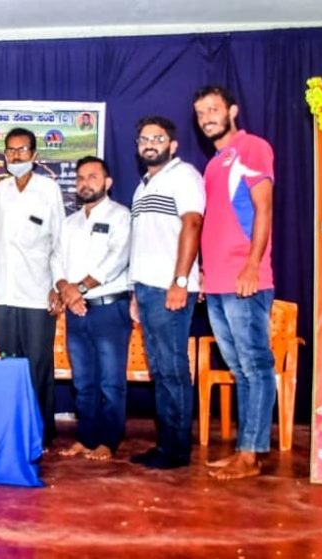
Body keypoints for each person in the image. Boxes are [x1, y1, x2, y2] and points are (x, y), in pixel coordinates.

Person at [194, 86, 278, 480]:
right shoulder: (213, 164)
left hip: (245, 280)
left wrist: (252, 266)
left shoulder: (251, 148)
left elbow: (264, 209)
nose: (206, 118)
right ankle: (246, 450)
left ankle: (251, 454)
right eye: (200, 113)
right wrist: (205, 273)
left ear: (232, 111)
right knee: (240, 370)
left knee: (256, 366)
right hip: (216, 284)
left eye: (213, 109)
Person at [128, 115, 204, 470]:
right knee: (160, 369)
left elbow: (193, 223)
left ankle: (176, 450)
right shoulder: (143, 186)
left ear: (172, 145)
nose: (150, 144)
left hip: (170, 286)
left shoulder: (184, 175)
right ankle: (166, 444)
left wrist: (181, 281)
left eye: (157, 138)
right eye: (144, 139)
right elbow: (143, 244)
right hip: (146, 288)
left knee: (172, 368)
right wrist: (135, 292)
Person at [0, 128, 64, 447]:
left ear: (34, 154)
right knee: (7, 364)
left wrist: (56, 284)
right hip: (3, 292)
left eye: (22, 149)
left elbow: (59, 241)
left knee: (37, 365)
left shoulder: (48, 189)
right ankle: (11, 431)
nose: (15, 155)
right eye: (10, 150)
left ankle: (40, 433)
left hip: (38, 292)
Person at [53, 156, 132, 461]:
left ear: (107, 182)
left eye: (92, 177)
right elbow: (56, 259)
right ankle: (86, 438)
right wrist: (65, 289)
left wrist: (79, 290)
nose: (85, 183)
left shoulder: (120, 216)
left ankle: (108, 441)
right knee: (83, 382)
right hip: (75, 310)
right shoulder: (69, 223)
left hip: (109, 309)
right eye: (80, 178)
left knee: (111, 382)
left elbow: (117, 259)